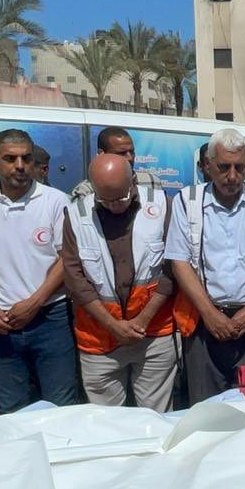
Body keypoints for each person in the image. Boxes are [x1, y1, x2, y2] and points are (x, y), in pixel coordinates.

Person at [167, 128, 245, 402]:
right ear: (208, 165)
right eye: (224, 167)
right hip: (203, 324)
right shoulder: (187, 202)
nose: (232, 176)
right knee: (206, 411)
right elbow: (180, 262)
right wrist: (210, 314)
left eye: (239, 167)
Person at [0, 129, 78, 413]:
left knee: (60, 406)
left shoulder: (56, 201)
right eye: (10, 158)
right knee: (12, 409)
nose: (20, 166)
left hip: (50, 317)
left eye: (26, 158)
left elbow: (67, 259)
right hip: (0, 321)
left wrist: (35, 302)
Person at [61, 154, 179, 409]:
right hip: (99, 339)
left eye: (122, 198)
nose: (115, 206)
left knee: (157, 419)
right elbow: (74, 279)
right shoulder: (76, 216)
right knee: (106, 424)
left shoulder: (161, 206)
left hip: (153, 334)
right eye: (106, 199)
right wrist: (113, 325)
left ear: (133, 181)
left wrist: (142, 320)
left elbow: (172, 269)